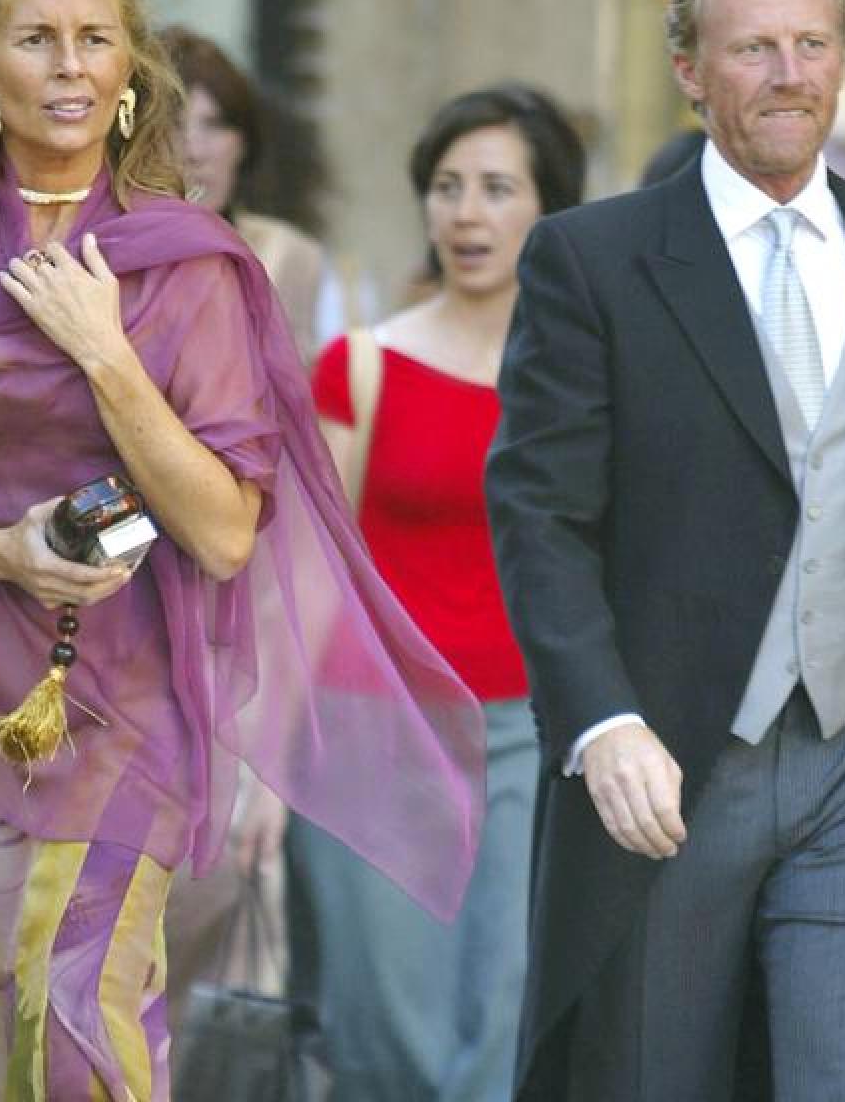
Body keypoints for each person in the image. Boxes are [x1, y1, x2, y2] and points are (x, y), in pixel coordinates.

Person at [0, 0, 484, 1101]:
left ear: (131, 75)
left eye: (96, 40)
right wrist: (1, 551)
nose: (70, 67)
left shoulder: (194, 263)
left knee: (86, 1039)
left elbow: (227, 530)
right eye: (36, 39)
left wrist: (105, 354)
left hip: (122, 712)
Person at [486, 0, 845, 1102]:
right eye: (755, 48)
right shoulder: (593, 259)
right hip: (673, 762)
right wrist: (601, 720)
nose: (789, 75)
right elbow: (539, 513)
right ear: (689, 71)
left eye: (813, 43)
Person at [289, 84, 585, 1102]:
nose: (466, 213)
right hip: (373, 736)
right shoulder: (361, 367)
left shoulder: (586, 377)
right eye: (448, 188)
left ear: (546, 210)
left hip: (535, 739)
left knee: (504, 1026)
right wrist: (257, 772)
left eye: (497, 188)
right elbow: (308, 574)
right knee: (387, 1038)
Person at [157, 25, 344, 359]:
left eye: (214, 125)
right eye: (172, 125)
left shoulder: (288, 254)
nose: (194, 151)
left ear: (243, 142)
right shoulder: (102, 248)